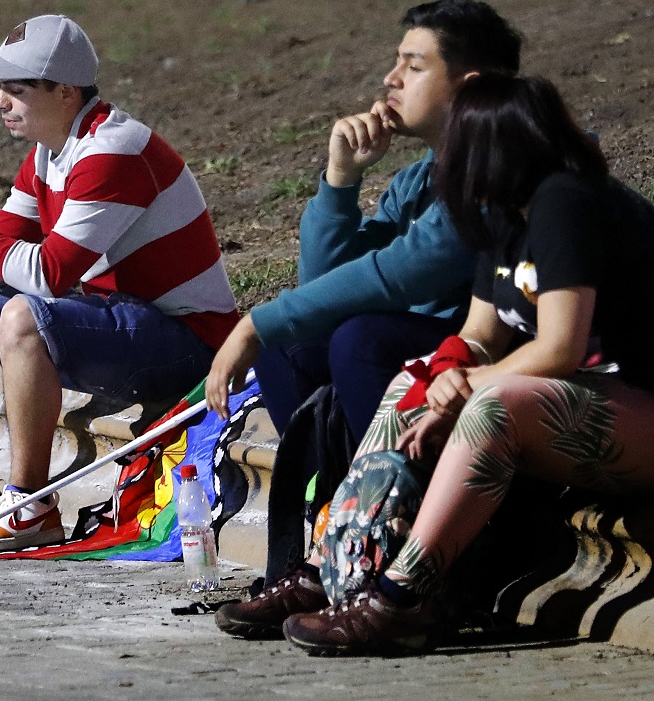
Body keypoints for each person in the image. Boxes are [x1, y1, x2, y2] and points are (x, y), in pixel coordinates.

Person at [278, 74, 654, 655]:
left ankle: (403, 602)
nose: (446, 163)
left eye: (458, 147)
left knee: (494, 403)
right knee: (415, 377)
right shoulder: (506, 213)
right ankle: (343, 567)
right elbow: (480, 333)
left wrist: (465, 387)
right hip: (589, 405)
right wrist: (443, 374)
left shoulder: (565, 200)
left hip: (641, 407)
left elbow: (560, 349)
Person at [208, 0, 523, 624]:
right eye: (395, 63)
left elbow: (409, 269)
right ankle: (335, 540)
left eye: (413, 64)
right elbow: (325, 286)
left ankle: (392, 546)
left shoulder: (501, 164)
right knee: (294, 348)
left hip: (496, 359)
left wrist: (255, 319)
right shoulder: (414, 184)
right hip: (431, 361)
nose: (390, 79)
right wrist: (340, 181)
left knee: (361, 340)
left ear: (472, 87)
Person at [0, 14, 239, 553]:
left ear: (64, 91)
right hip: (125, 323)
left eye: (15, 89)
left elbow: (47, 276)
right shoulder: (48, 153)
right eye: (0, 89)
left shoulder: (112, 149)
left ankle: (31, 504)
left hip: (191, 343)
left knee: (22, 317)